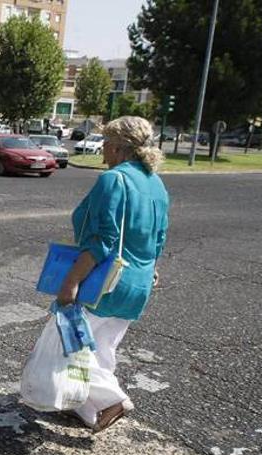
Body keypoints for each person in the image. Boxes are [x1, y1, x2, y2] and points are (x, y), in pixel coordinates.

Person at [56, 116, 169, 432]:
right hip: (140, 282)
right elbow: (159, 236)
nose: (102, 150)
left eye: (105, 144)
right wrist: (152, 269)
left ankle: (111, 399)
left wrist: (72, 281)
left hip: (106, 283)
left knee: (69, 340)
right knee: (103, 348)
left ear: (119, 148)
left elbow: (102, 241)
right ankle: (88, 410)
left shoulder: (114, 180)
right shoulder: (156, 183)